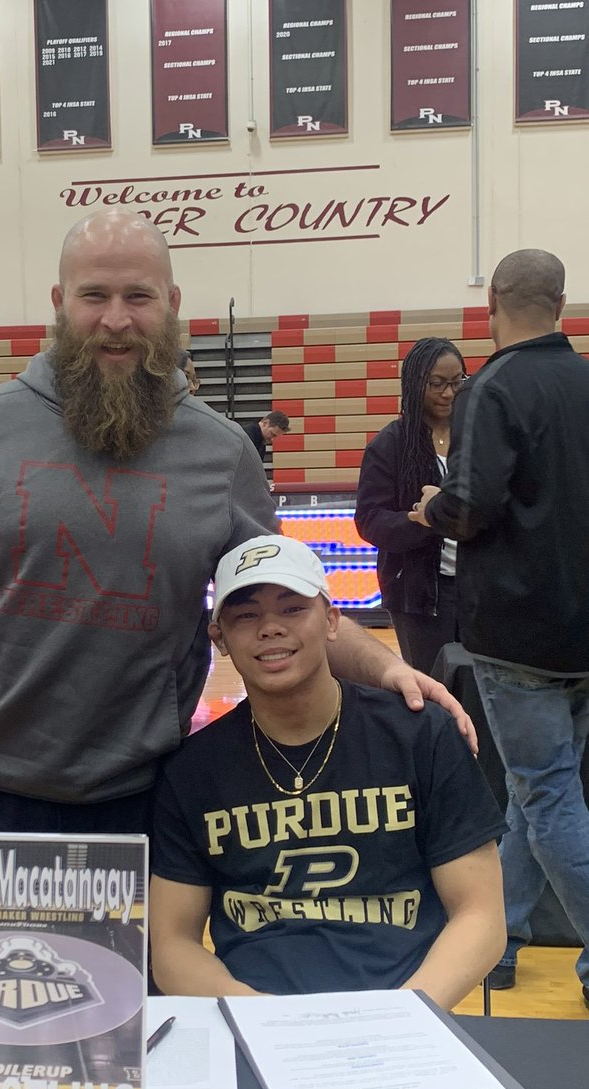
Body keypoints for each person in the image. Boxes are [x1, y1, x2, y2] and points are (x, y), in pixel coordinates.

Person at [0, 210, 474, 836]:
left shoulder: (223, 453)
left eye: (138, 297)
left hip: (145, 796)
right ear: (61, 303)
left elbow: (283, 606)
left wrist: (388, 668)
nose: (116, 319)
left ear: (171, 304)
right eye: (95, 295)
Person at [149, 535, 506, 1009]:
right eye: (247, 615)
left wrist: (405, 1015)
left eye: (293, 609)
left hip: (407, 1013)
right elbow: (172, 945)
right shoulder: (194, 769)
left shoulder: (420, 737)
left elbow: (480, 915)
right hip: (253, 1021)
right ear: (221, 639)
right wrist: (256, 1018)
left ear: (332, 620)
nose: (270, 628)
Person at [410, 248, 589, 1011]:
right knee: (533, 794)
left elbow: (473, 504)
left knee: (546, 798)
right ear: (560, 300)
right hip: (582, 631)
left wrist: (432, 507)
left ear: (493, 302)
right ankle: (504, 940)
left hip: (519, 634)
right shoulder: (585, 379)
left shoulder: (496, 386)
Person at [355, 337, 466, 673]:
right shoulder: (390, 444)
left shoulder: (475, 434)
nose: (448, 393)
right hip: (418, 594)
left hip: (478, 587)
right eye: (437, 384)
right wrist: (422, 520)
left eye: (457, 381)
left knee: (478, 689)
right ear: (415, 384)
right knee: (433, 688)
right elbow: (370, 520)